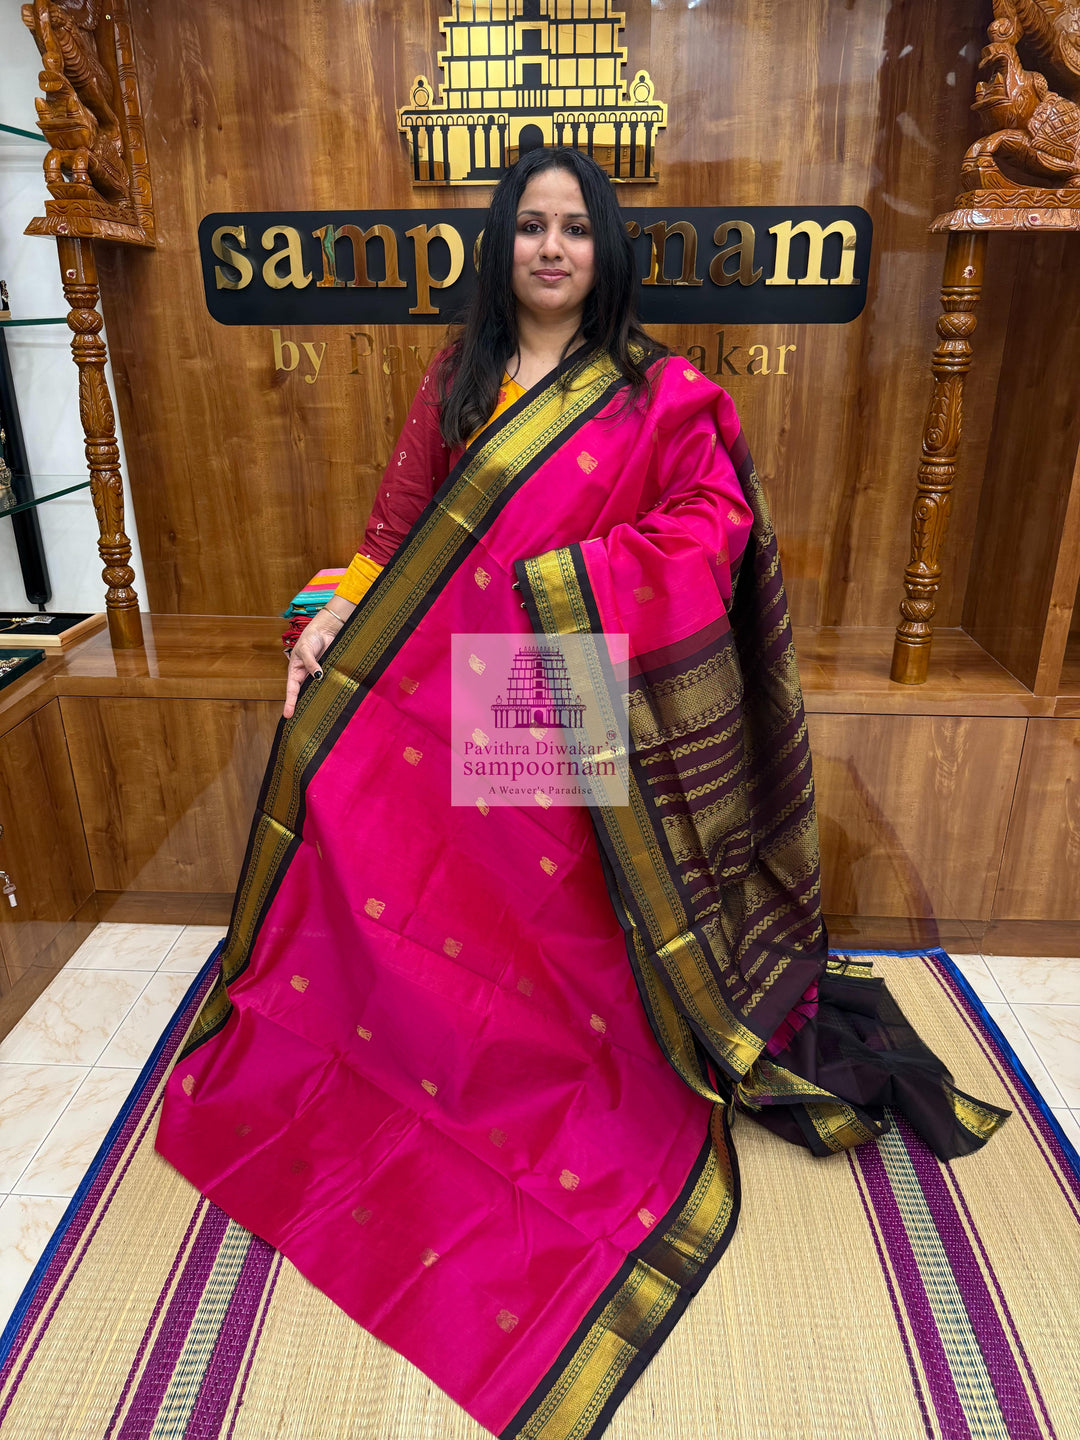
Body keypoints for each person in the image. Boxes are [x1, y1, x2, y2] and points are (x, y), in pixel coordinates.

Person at [156, 148, 1007, 1440]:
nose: (551, 248)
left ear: (607, 251)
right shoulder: (459, 382)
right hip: (447, 670)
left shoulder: (665, 398)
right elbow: (396, 536)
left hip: (554, 678)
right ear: (501, 248)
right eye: (530, 228)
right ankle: (399, 1046)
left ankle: (518, 1065)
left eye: (575, 229)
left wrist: (568, 584)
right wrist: (332, 618)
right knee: (355, 795)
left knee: (528, 905)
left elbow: (709, 535)